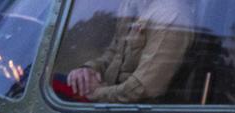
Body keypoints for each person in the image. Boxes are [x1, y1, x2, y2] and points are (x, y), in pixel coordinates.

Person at [65, 0, 193, 103]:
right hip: (111, 98)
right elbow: (114, 52)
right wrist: (89, 70)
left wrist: (96, 92)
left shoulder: (171, 15)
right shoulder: (131, 4)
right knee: (58, 84)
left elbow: (144, 88)